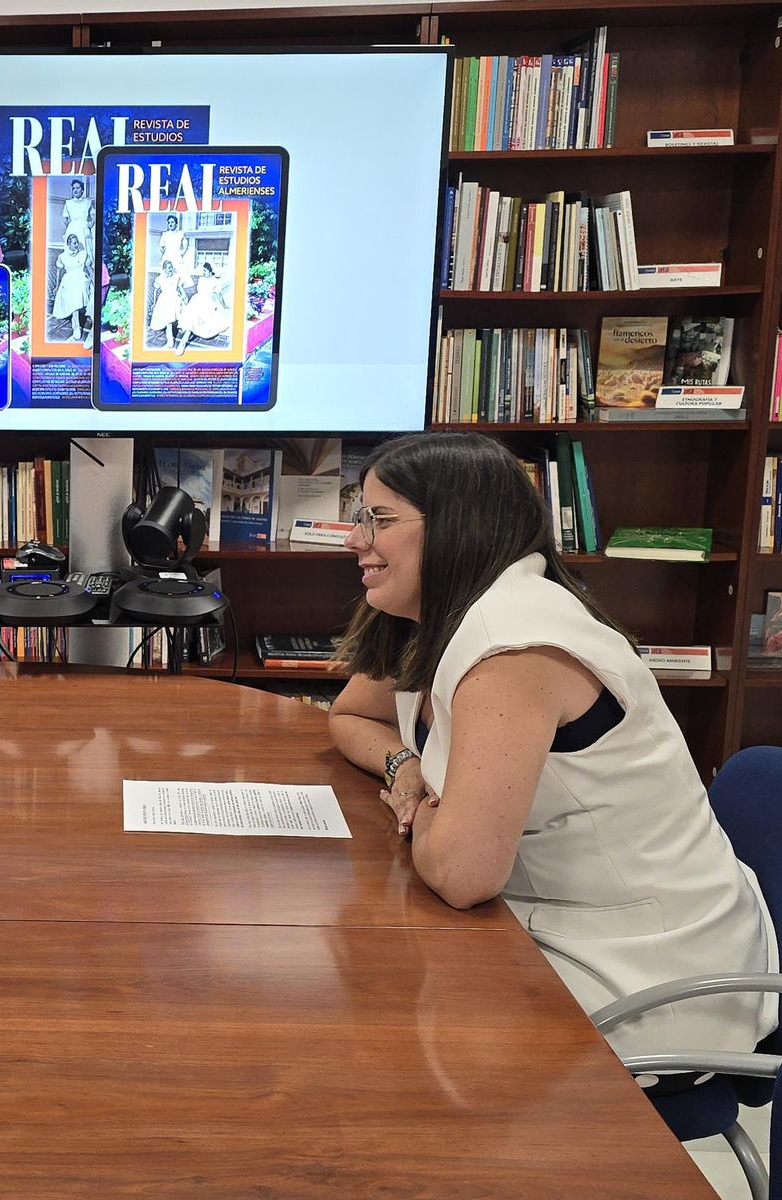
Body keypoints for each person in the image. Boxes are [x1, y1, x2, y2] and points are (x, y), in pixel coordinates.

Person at [328, 432, 777, 1066]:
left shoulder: (512, 647)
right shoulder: (443, 614)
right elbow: (349, 716)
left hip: (648, 977)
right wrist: (406, 768)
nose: (354, 539)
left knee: (369, 1033)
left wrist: (430, 807)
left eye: (378, 519)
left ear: (458, 526)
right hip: (553, 924)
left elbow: (462, 876)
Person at [174, 262, 231, 356]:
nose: (203, 272)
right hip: (196, 300)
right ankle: (184, 339)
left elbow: (219, 295)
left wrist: (224, 306)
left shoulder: (215, 281)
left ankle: (183, 341)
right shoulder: (201, 279)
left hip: (207, 302)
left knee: (197, 316)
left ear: (210, 270)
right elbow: (196, 290)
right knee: (191, 313)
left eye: (205, 270)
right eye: (203, 270)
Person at [51, 231, 92, 346]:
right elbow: (59, 272)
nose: (76, 245)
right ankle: (76, 326)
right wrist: (57, 286)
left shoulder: (83, 254)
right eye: (74, 243)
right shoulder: (62, 257)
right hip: (69, 279)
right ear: (68, 244)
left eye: (77, 243)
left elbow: (88, 268)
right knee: (73, 291)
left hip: (81, 278)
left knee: (78, 289)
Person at [147, 258, 185, 350]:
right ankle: (170, 337)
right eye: (168, 268)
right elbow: (156, 291)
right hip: (164, 299)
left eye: (171, 267)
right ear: (164, 269)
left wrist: (184, 295)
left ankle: (179, 330)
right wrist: (154, 303)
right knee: (168, 319)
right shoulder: (160, 279)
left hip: (175, 298)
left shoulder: (176, 277)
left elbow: (179, 287)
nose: (170, 269)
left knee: (174, 315)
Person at [61, 177, 92, 245]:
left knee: (85, 247)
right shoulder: (68, 203)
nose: (75, 190)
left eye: (78, 188)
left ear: (82, 190)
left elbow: (93, 215)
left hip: (84, 228)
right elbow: (64, 218)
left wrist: (90, 224)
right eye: (73, 188)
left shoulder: (87, 202)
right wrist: (71, 226)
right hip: (72, 228)